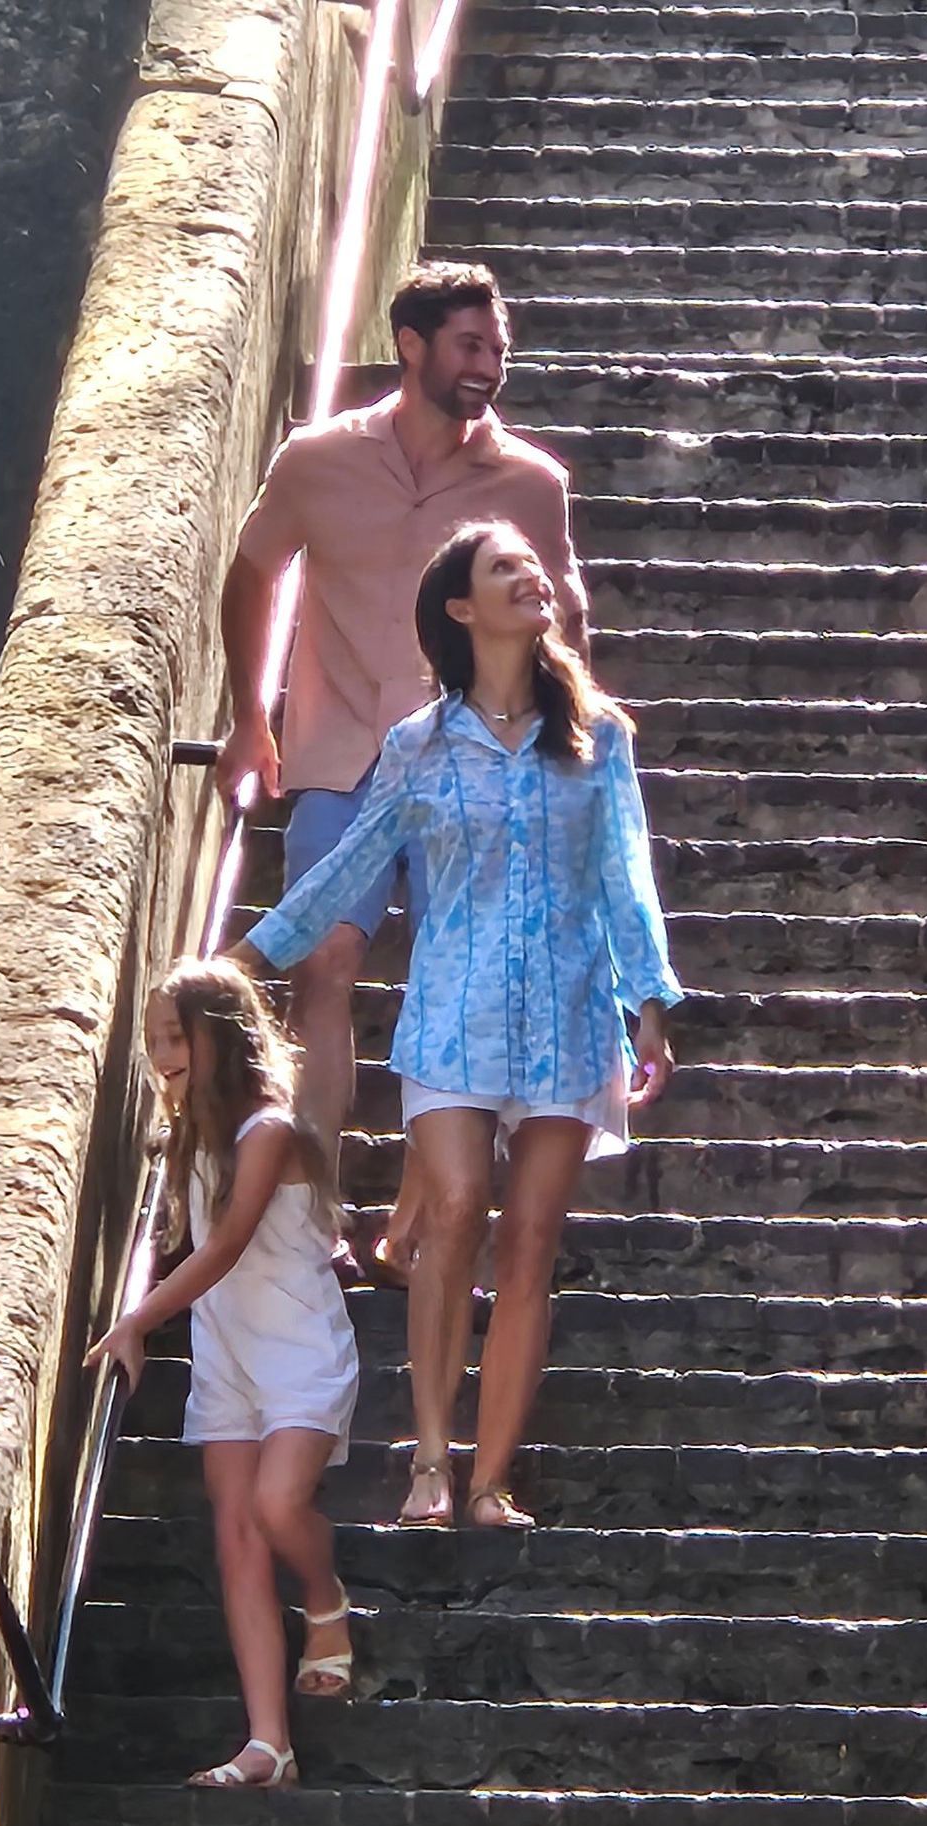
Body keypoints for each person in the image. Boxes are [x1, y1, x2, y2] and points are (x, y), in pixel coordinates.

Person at [230, 522, 681, 1530]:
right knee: (458, 1204)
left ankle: (489, 1481)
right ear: (460, 610)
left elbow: (626, 874)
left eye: (533, 565)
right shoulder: (418, 745)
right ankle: (430, 1459)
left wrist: (648, 1002)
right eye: (504, 568)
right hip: (452, 1015)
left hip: (569, 1016)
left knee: (530, 1241)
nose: (532, 577)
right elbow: (351, 867)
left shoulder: (598, 739)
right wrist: (251, 956)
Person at [216, 262, 588, 1280]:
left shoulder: (530, 483)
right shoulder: (318, 458)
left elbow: (565, 620)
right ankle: (315, 1211)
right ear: (410, 345)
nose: (489, 367)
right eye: (470, 346)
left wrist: (565, 751)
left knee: (456, 986)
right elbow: (253, 570)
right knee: (323, 962)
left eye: (498, 349)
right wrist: (249, 719)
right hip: (342, 753)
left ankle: (414, 1226)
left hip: (474, 770)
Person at [86, 958, 360, 1788]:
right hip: (226, 1356)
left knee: (278, 1506)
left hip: (301, 1348)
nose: (162, 1056)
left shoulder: (267, 1131)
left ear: (222, 1038)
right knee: (237, 1535)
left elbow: (229, 1244)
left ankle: (326, 1601)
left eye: (177, 1038)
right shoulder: (191, 1142)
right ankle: (268, 1743)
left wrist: (137, 1319)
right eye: (154, 1042)